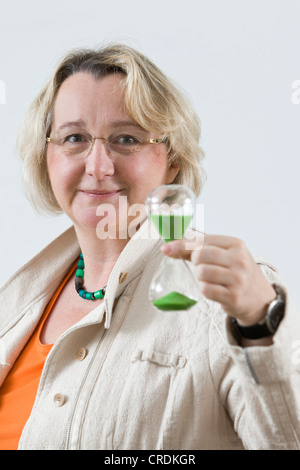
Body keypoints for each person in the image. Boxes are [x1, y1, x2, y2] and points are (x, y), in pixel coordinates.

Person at [0, 43, 299, 451]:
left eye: (127, 138)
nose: (99, 166)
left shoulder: (231, 298)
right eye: (74, 138)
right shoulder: (15, 303)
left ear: (171, 160)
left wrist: (261, 326)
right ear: (46, 156)